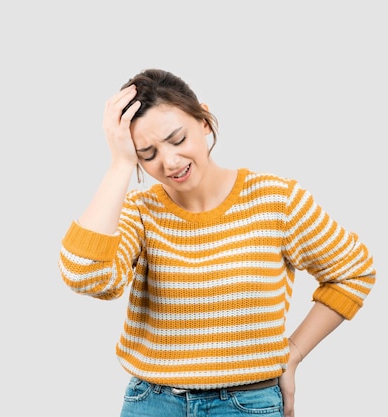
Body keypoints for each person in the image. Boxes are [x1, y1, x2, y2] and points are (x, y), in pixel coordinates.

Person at [57, 68, 376, 417]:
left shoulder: (276, 200)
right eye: (147, 154)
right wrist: (119, 164)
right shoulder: (140, 213)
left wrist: (294, 353)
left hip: (247, 404)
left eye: (177, 139)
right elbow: (84, 275)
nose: (171, 162)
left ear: (204, 122)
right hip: (152, 403)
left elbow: (354, 271)